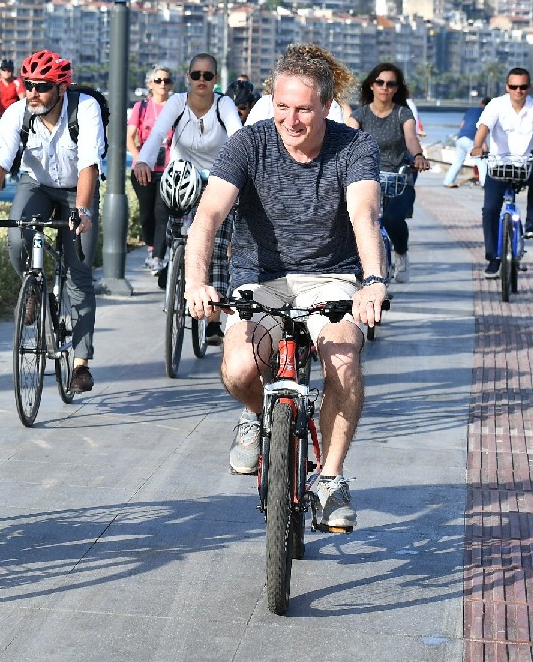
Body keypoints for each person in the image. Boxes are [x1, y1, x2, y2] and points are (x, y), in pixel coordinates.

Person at [184, 43, 386, 532]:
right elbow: (209, 215)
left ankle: (331, 478)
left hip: (331, 277)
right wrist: (196, 282)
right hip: (259, 278)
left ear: (325, 107)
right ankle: (257, 414)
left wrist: (373, 281)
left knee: (342, 360)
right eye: (282, 106)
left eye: (302, 109)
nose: (290, 120)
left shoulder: (354, 147)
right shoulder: (249, 144)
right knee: (238, 369)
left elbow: (364, 214)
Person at [0, 49, 101, 392]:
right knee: (17, 238)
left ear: (61, 88)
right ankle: (34, 291)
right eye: (27, 85)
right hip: (37, 184)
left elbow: (89, 165)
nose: (31, 93)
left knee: (79, 273)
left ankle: (80, 363)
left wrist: (84, 212)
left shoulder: (84, 110)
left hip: (78, 189)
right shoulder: (18, 113)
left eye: (41, 87)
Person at [132, 52, 242, 341]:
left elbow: (238, 137)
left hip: (219, 177)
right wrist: (143, 161)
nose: (201, 80)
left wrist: (244, 171)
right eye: (196, 75)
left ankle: (215, 319)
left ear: (215, 79)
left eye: (208, 76)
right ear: (188, 78)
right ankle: (173, 260)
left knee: (217, 245)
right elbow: (156, 134)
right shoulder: (177, 103)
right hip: (182, 175)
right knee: (177, 231)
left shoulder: (224, 104)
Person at [345, 64, 430, 283]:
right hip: (367, 179)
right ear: (371, 85)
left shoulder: (403, 113)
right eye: (380, 82)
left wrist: (418, 155)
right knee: (352, 220)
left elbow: (411, 138)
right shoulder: (359, 115)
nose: (384, 87)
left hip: (399, 179)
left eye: (390, 83)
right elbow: (348, 140)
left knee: (393, 219)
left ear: (396, 88)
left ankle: (401, 253)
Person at [471, 68, 533, 279]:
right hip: (498, 165)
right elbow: (483, 128)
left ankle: (531, 224)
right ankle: (493, 258)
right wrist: (478, 146)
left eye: (523, 87)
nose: (518, 91)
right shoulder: (496, 105)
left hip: (525, 164)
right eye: (514, 86)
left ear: (528, 87)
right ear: (507, 87)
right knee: (490, 210)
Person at [127, 66, 174, 271]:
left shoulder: (176, 106)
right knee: (147, 215)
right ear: (150, 84)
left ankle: (157, 257)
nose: (162, 84)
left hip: (167, 167)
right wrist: (140, 160)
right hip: (143, 169)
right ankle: (151, 246)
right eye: (158, 80)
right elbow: (129, 137)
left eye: (166, 80)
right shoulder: (142, 107)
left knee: (161, 213)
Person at [444, 97, 489, 188]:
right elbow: (482, 130)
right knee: (481, 161)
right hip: (471, 139)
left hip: (461, 137)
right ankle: (485, 184)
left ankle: (447, 181)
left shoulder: (470, 110)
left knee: (458, 161)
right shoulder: (486, 113)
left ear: (481, 103)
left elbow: (462, 124)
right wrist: (484, 145)